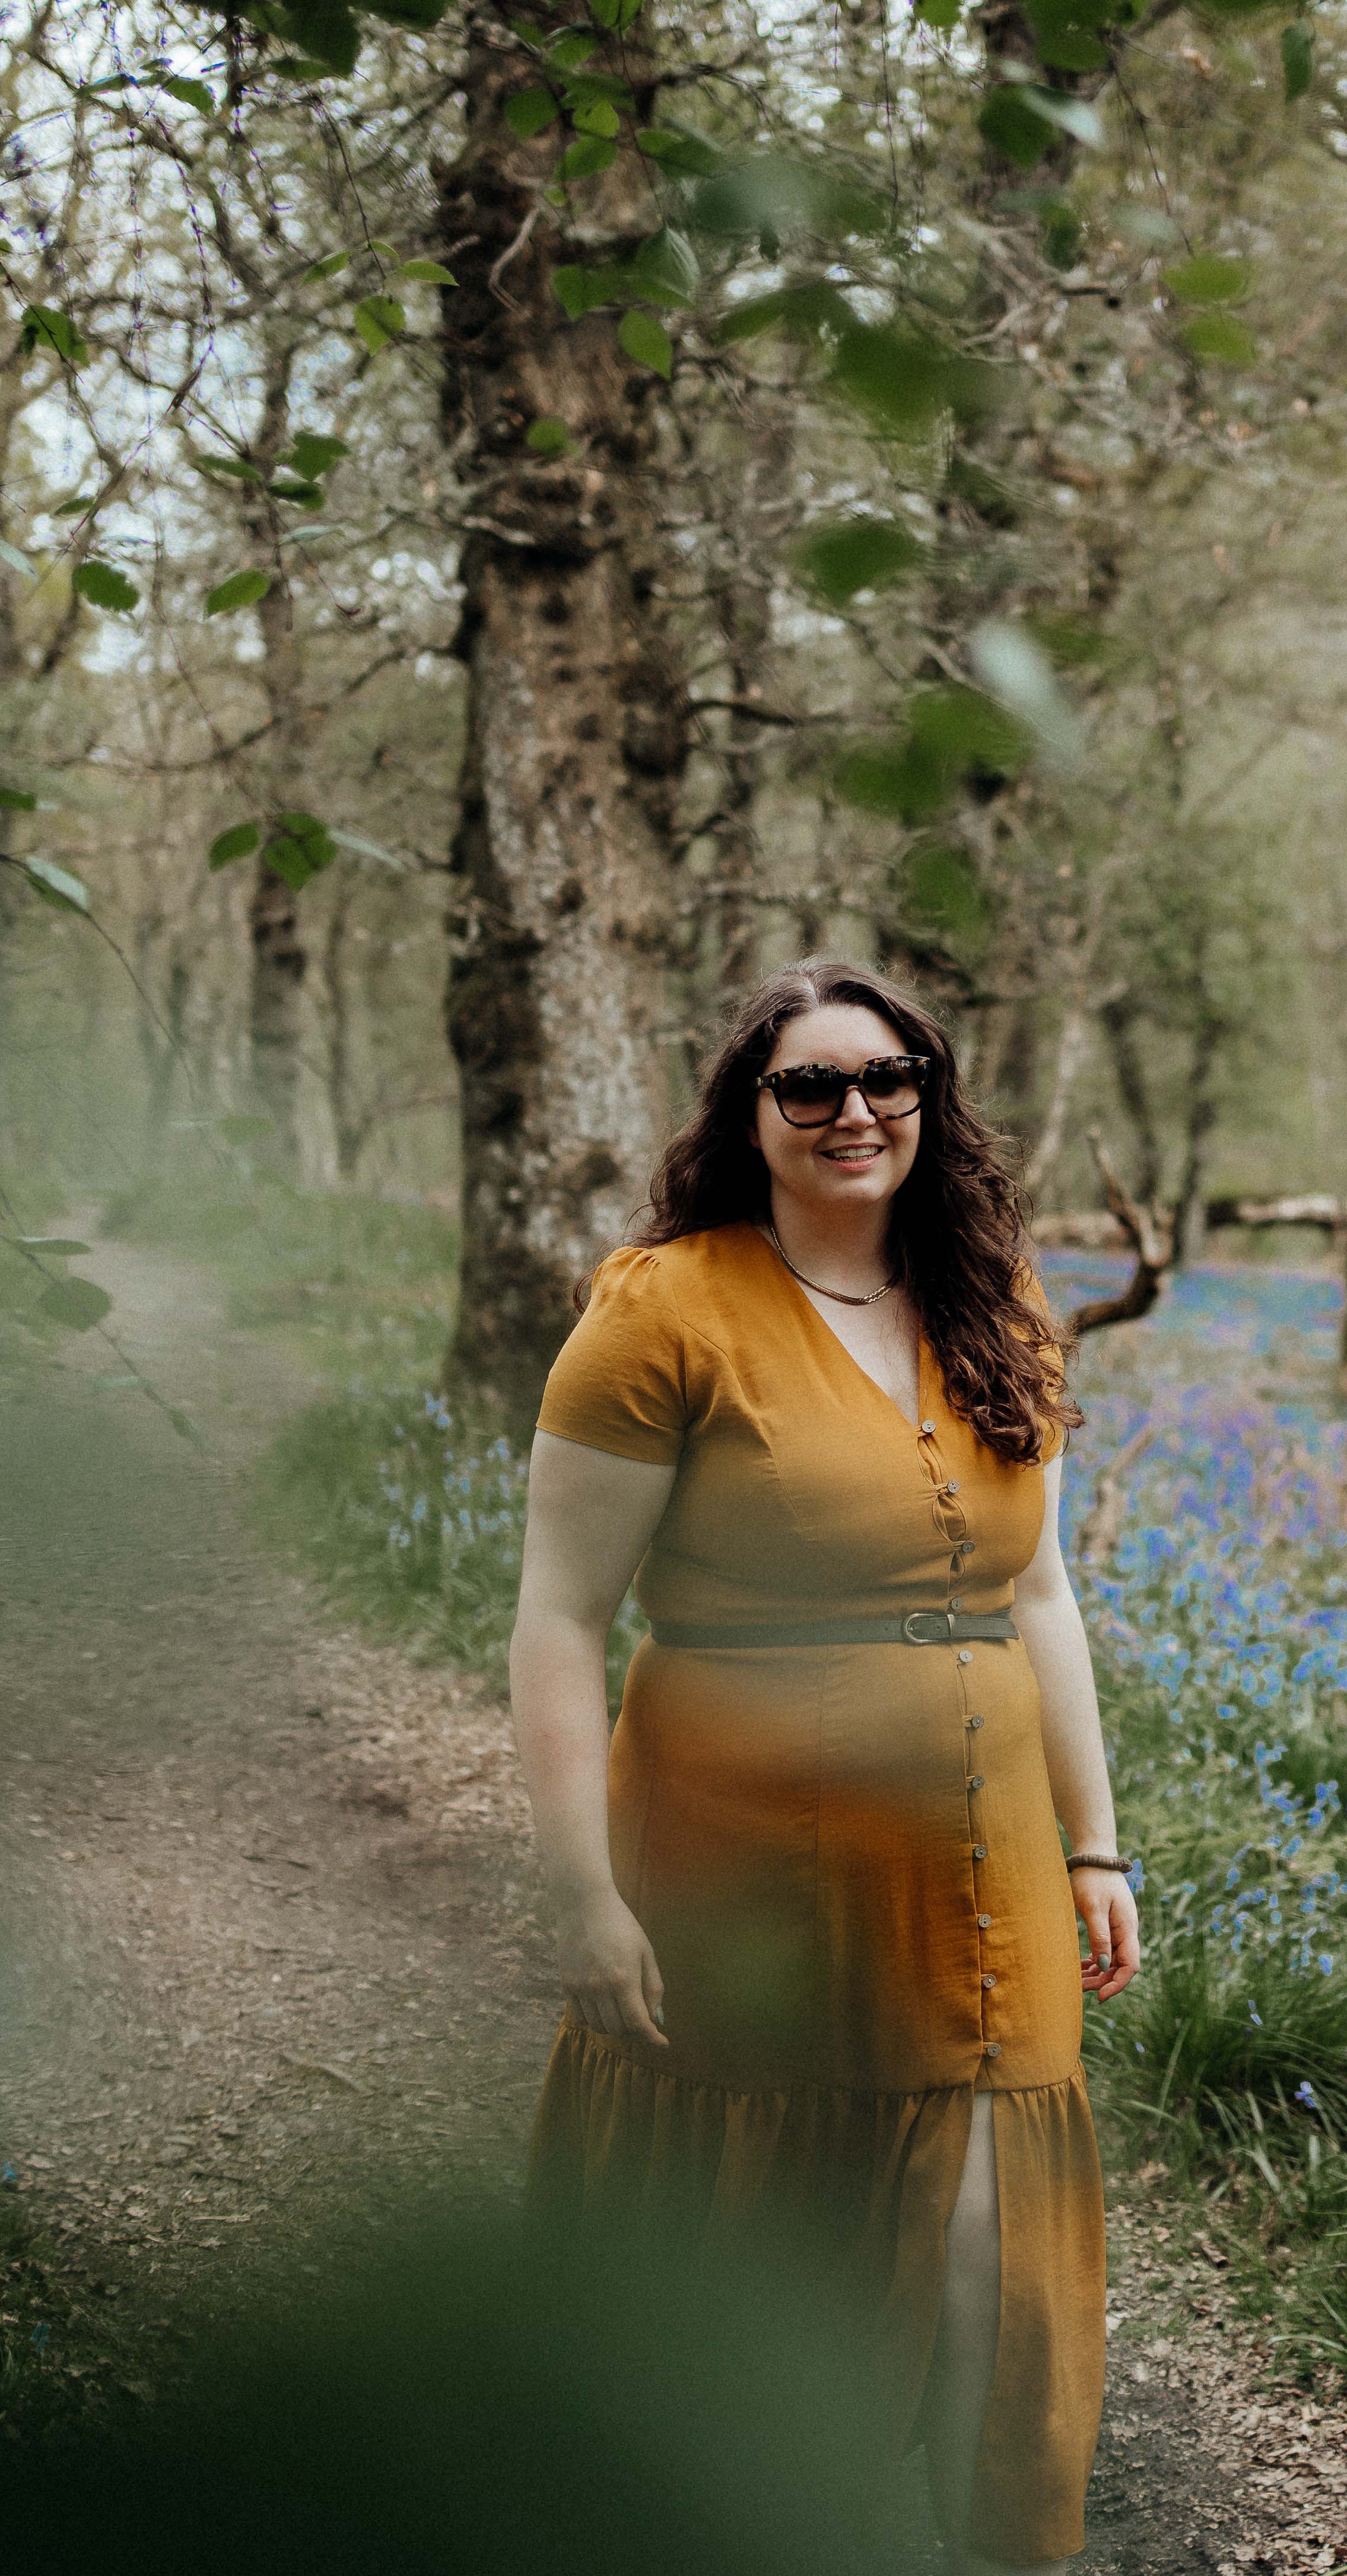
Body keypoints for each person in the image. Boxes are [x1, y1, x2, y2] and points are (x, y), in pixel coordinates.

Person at [509, 956, 1142, 2572]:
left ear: (928, 1098)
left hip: (986, 1863)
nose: (855, 1111)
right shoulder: (665, 1310)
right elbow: (559, 1625)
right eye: (812, 1086)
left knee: (989, 2247)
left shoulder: (995, 1305)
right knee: (762, 2230)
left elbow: (1042, 1594)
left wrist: (1096, 1843)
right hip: (734, 1858)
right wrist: (581, 1892)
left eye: (887, 1079)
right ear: (754, 1112)